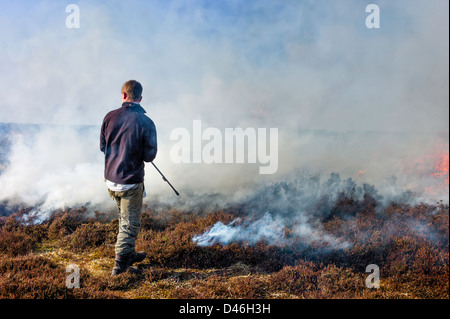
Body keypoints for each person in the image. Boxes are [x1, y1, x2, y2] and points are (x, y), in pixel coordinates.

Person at [100, 80, 157, 276]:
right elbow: (150, 156)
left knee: (124, 219)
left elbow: (102, 147)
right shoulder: (146, 123)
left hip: (110, 179)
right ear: (140, 98)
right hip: (130, 183)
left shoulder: (109, 117)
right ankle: (120, 268)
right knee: (130, 224)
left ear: (123, 95)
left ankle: (129, 253)